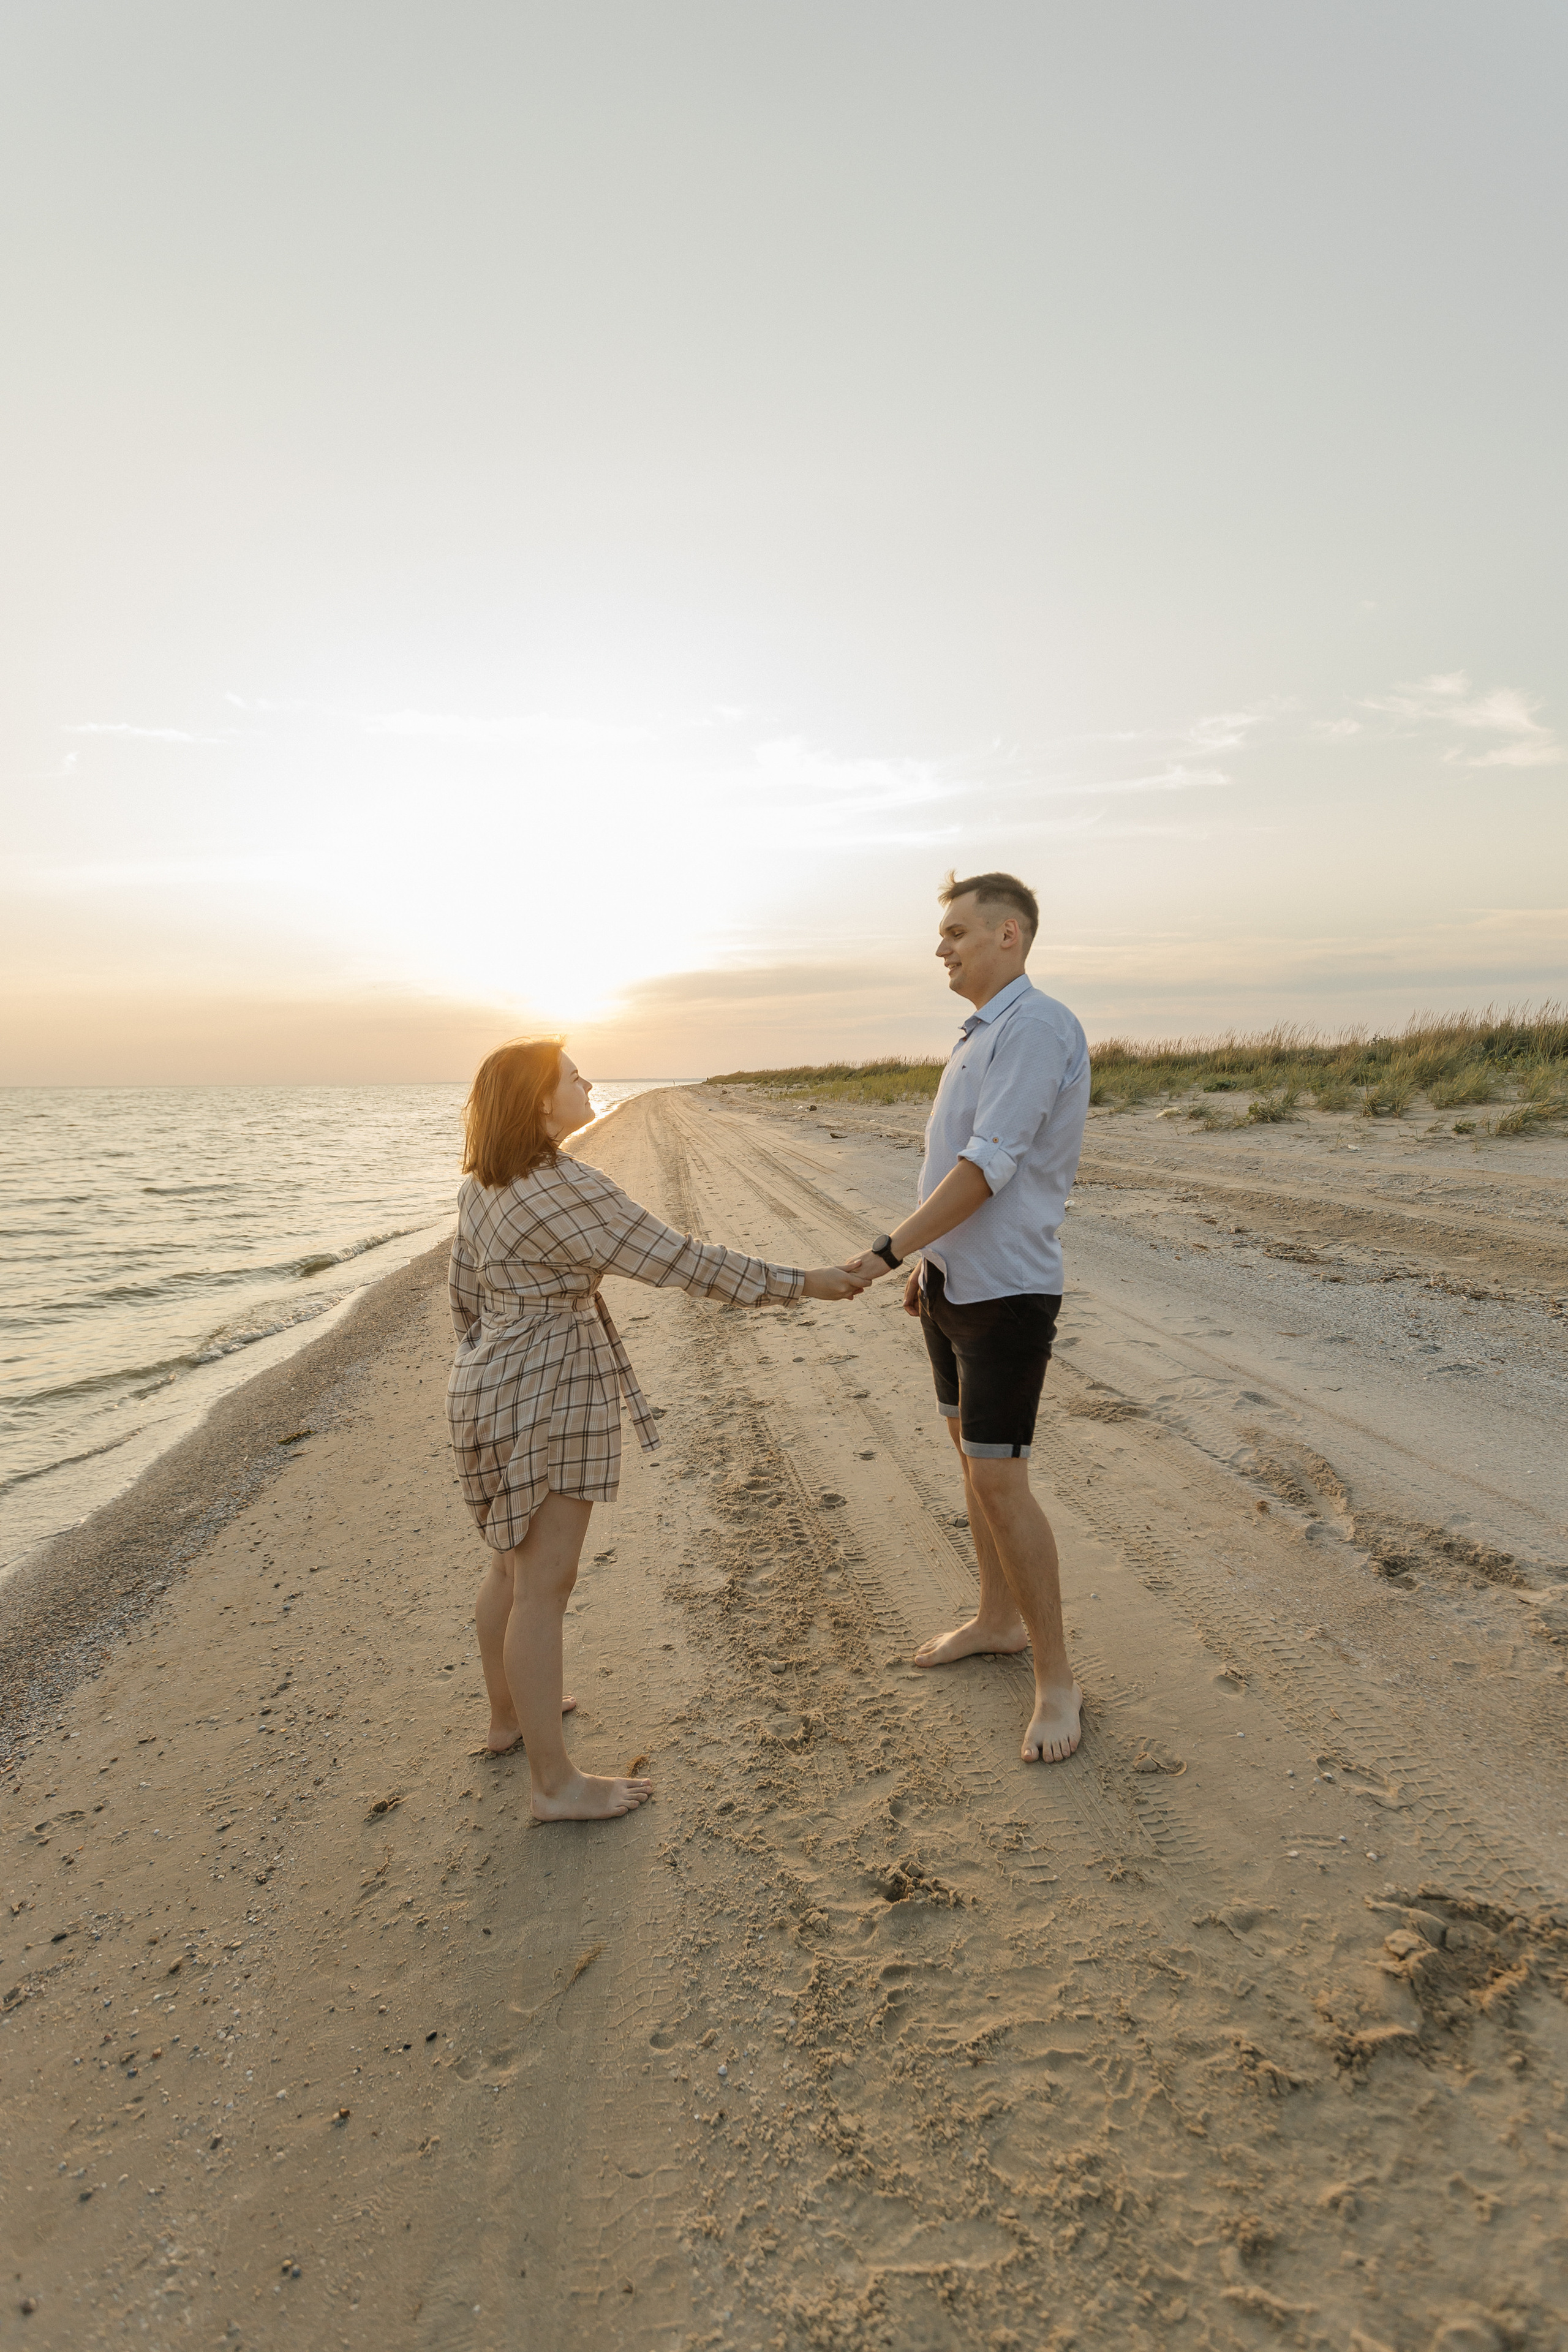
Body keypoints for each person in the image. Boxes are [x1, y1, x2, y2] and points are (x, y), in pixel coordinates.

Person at [447, 1039, 873, 1823]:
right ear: (540, 1102)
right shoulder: (569, 1188)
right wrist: (804, 1283)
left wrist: (485, 1366)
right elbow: (685, 1262)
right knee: (543, 1585)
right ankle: (553, 1786)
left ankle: (508, 1719)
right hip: (549, 1385)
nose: (588, 1083)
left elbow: (463, 1295)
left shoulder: (481, 1183)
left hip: (481, 1381)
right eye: (573, 1077)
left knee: (509, 1568)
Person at [853, 872, 1090, 1763]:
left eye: (957, 932)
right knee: (970, 1464)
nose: (942, 947)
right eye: (942, 934)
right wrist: (929, 1261)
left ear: (1008, 935)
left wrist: (885, 1251)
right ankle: (997, 1621)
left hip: (1006, 1294)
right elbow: (960, 1162)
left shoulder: (1036, 1027)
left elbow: (989, 1165)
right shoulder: (980, 1033)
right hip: (953, 1283)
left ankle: (1057, 1681)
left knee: (1001, 1481)